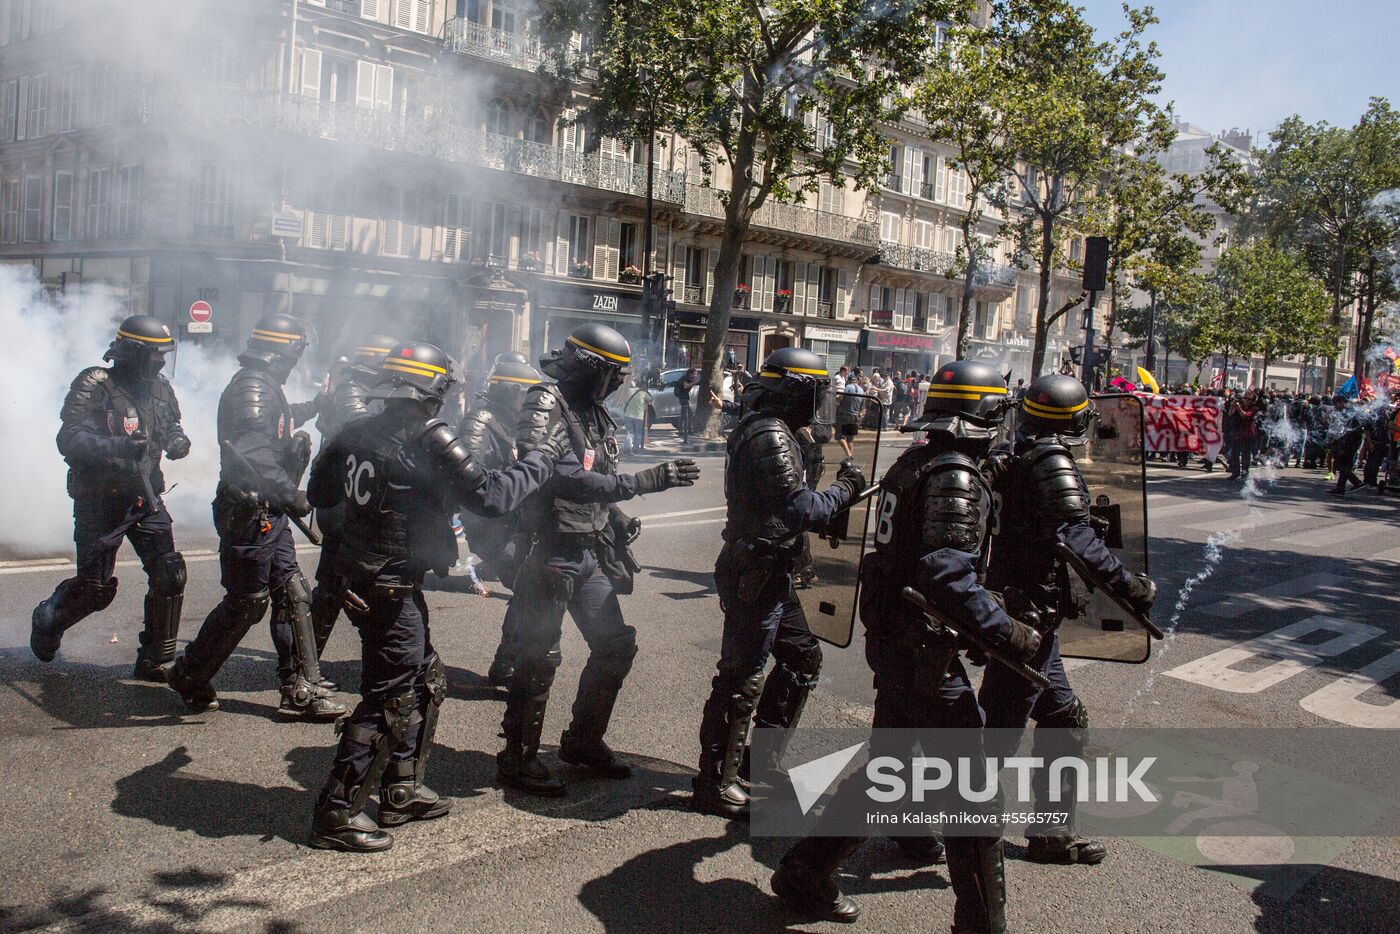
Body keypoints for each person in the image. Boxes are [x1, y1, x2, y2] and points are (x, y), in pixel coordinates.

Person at [771, 361, 1041, 929]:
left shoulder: (915, 461)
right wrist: (1009, 633)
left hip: (900, 642)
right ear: (984, 417)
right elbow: (948, 576)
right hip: (924, 651)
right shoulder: (956, 475)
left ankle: (805, 869)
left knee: (890, 768)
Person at [305, 342, 567, 852]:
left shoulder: (357, 428)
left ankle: (400, 788)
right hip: (388, 581)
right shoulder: (430, 436)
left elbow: (320, 495)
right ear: (431, 391)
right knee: (389, 694)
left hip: (369, 573)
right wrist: (540, 460)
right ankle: (335, 812)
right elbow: (491, 497)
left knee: (424, 678)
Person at [498, 324, 700, 796]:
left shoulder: (592, 411)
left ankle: (583, 742)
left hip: (588, 548)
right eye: (612, 374)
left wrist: (616, 512)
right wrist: (641, 483)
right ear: (591, 369)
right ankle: (518, 757)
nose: (618, 383)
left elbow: (596, 475)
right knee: (539, 655)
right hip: (552, 549)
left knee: (615, 645)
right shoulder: (546, 403)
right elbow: (561, 478)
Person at [978, 374, 1157, 866]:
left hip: (1031, 614)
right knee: (996, 733)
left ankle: (1051, 834)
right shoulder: (1051, 460)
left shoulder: (1014, 453)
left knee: (1062, 717)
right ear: (1075, 419)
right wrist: (1131, 588)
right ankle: (957, 831)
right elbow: (1077, 538)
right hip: (1026, 617)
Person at [692, 348, 866, 820]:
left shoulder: (784, 430)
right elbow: (798, 508)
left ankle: (759, 762)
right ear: (794, 390)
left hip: (776, 566)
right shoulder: (769, 433)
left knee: (802, 658)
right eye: (814, 392)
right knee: (741, 674)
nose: (818, 401)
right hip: (757, 570)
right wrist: (846, 491)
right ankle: (714, 781)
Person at [165, 314, 344, 720]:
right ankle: (190, 673)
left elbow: (274, 429)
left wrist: (315, 406)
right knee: (247, 602)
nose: (297, 361)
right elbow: (256, 454)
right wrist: (291, 495)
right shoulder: (252, 387)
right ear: (282, 352)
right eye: (296, 352)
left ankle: (301, 687)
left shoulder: (264, 387)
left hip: (266, 510)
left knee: (292, 591)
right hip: (250, 512)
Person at [31, 315, 192, 679]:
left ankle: (155, 658)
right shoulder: (96, 384)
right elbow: (68, 439)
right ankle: (48, 617)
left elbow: (169, 424)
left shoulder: (160, 387)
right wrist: (117, 445)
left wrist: (176, 441)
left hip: (145, 496)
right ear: (134, 352)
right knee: (95, 590)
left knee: (170, 573)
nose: (161, 362)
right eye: (155, 355)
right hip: (100, 500)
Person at [308, 334, 398, 686]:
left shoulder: (363, 390)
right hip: (344, 502)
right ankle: (305, 666)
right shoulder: (353, 392)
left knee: (340, 585)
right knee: (336, 585)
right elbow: (368, 439)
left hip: (351, 500)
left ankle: (307, 663)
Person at [458, 356, 545, 686]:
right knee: (530, 587)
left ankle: (507, 663)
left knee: (530, 588)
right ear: (511, 392)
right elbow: (471, 480)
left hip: (516, 525)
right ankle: (508, 662)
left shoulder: (514, 423)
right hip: (491, 528)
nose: (533, 404)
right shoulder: (480, 423)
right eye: (527, 394)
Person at [1328, 395, 1364, 495]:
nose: (1336, 407)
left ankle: (1357, 482)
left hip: (1352, 439)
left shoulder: (1350, 410)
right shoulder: (1351, 408)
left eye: (1336, 404)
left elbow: (1351, 427)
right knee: (1345, 464)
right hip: (1352, 438)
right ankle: (1340, 488)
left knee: (1340, 463)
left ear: (1340, 402)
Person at [622, 377, 650, 452]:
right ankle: (636, 448)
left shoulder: (629, 390)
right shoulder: (644, 393)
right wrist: (646, 391)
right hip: (639, 416)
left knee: (629, 433)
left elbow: (624, 399)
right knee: (638, 433)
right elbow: (651, 399)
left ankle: (627, 447)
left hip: (628, 415)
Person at [676, 367, 699, 440]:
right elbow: (685, 386)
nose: (696, 375)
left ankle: (681, 430)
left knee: (684, 414)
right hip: (683, 398)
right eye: (695, 374)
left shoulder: (688, 378)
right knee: (689, 414)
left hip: (684, 398)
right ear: (691, 373)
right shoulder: (685, 378)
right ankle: (689, 430)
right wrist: (693, 382)